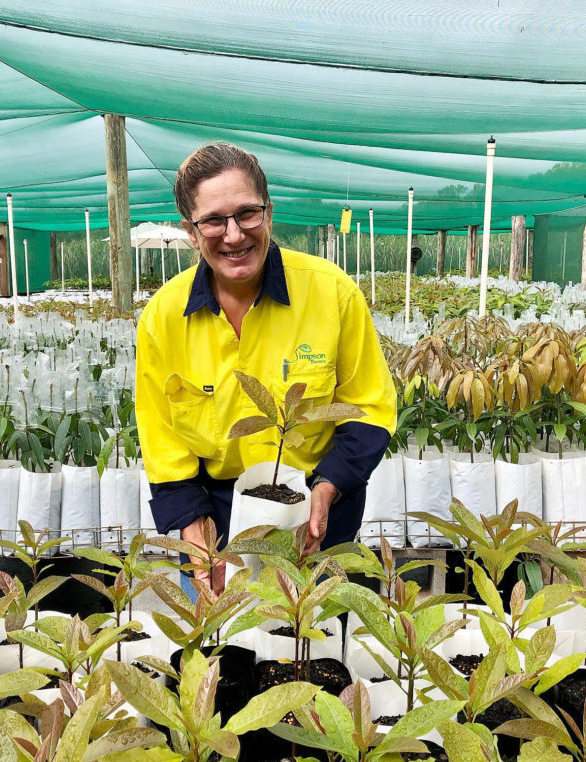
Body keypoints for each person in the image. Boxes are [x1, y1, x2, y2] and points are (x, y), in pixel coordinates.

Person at [135, 142, 396, 594]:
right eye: (214, 221)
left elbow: (369, 407)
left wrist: (328, 489)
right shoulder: (164, 317)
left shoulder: (331, 293)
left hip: (315, 513)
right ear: (192, 232)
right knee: (220, 650)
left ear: (268, 213)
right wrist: (191, 529)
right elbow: (162, 438)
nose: (234, 235)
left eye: (247, 214)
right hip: (215, 519)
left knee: (308, 649)